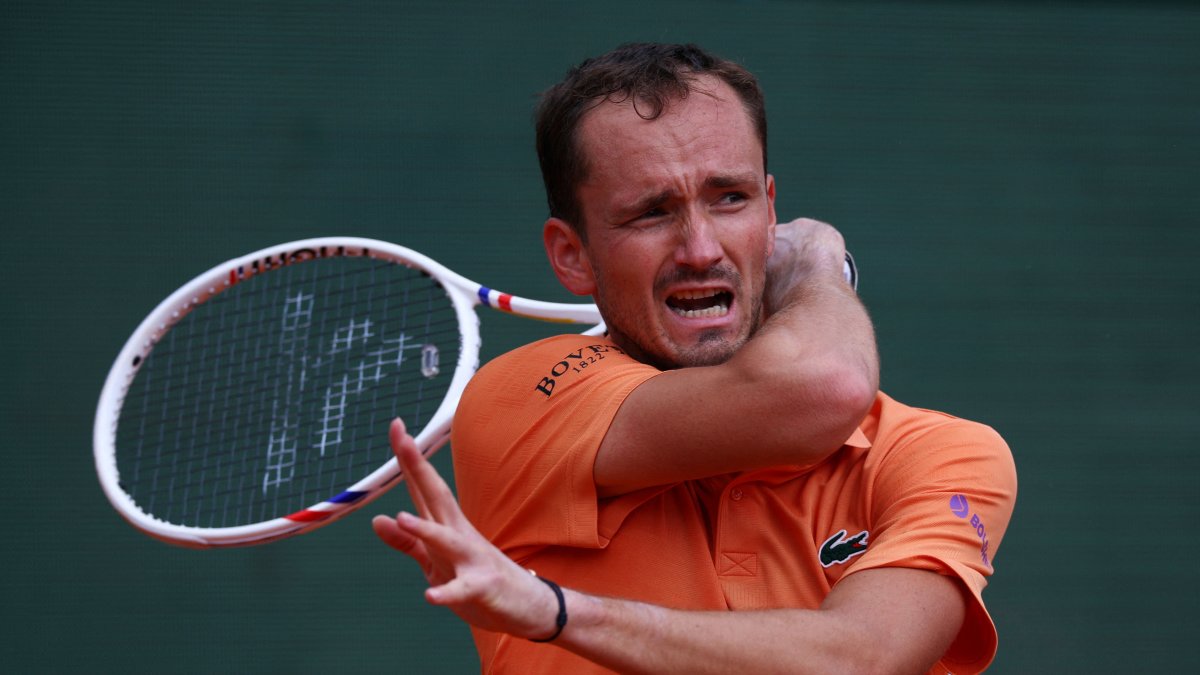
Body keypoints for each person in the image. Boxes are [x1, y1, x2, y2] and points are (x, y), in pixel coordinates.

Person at [373, 43, 1016, 674]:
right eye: (651, 212)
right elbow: (825, 386)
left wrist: (559, 613)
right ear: (572, 254)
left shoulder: (946, 454)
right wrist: (823, 265)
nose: (700, 248)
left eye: (729, 198)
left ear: (771, 214)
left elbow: (860, 658)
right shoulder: (519, 398)